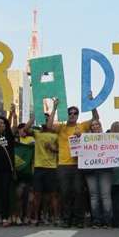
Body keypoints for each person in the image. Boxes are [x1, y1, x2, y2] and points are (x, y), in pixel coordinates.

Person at [46, 98, 99, 228]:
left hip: (78, 165)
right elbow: (48, 126)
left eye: (75, 113)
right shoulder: (61, 127)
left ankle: (79, 219)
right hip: (63, 165)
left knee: (78, 192)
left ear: (78, 115)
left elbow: (96, 118)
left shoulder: (82, 126)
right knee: (65, 193)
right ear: (67, 114)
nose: (73, 115)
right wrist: (55, 108)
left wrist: (92, 103)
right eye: (70, 113)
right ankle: (66, 219)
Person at [27, 112, 58, 226]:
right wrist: (34, 117)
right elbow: (25, 129)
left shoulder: (55, 135)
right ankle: (36, 218)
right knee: (37, 195)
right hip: (39, 168)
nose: (45, 121)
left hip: (51, 168)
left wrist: (53, 148)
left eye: (47, 119)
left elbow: (60, 150)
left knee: (52, 195)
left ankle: (54, 218)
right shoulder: (37, 133)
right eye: (43, 119)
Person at [82, 119, 113, 227]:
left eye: (97, 124)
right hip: (90, 170)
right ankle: (96, 220)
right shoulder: (85, 139)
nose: (95, 126)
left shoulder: (108, 138)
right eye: (93, 125)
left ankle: (107, 221)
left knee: (105, 195)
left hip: (105, 170)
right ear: (90, 128)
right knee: (94, 196)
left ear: (100, 126)